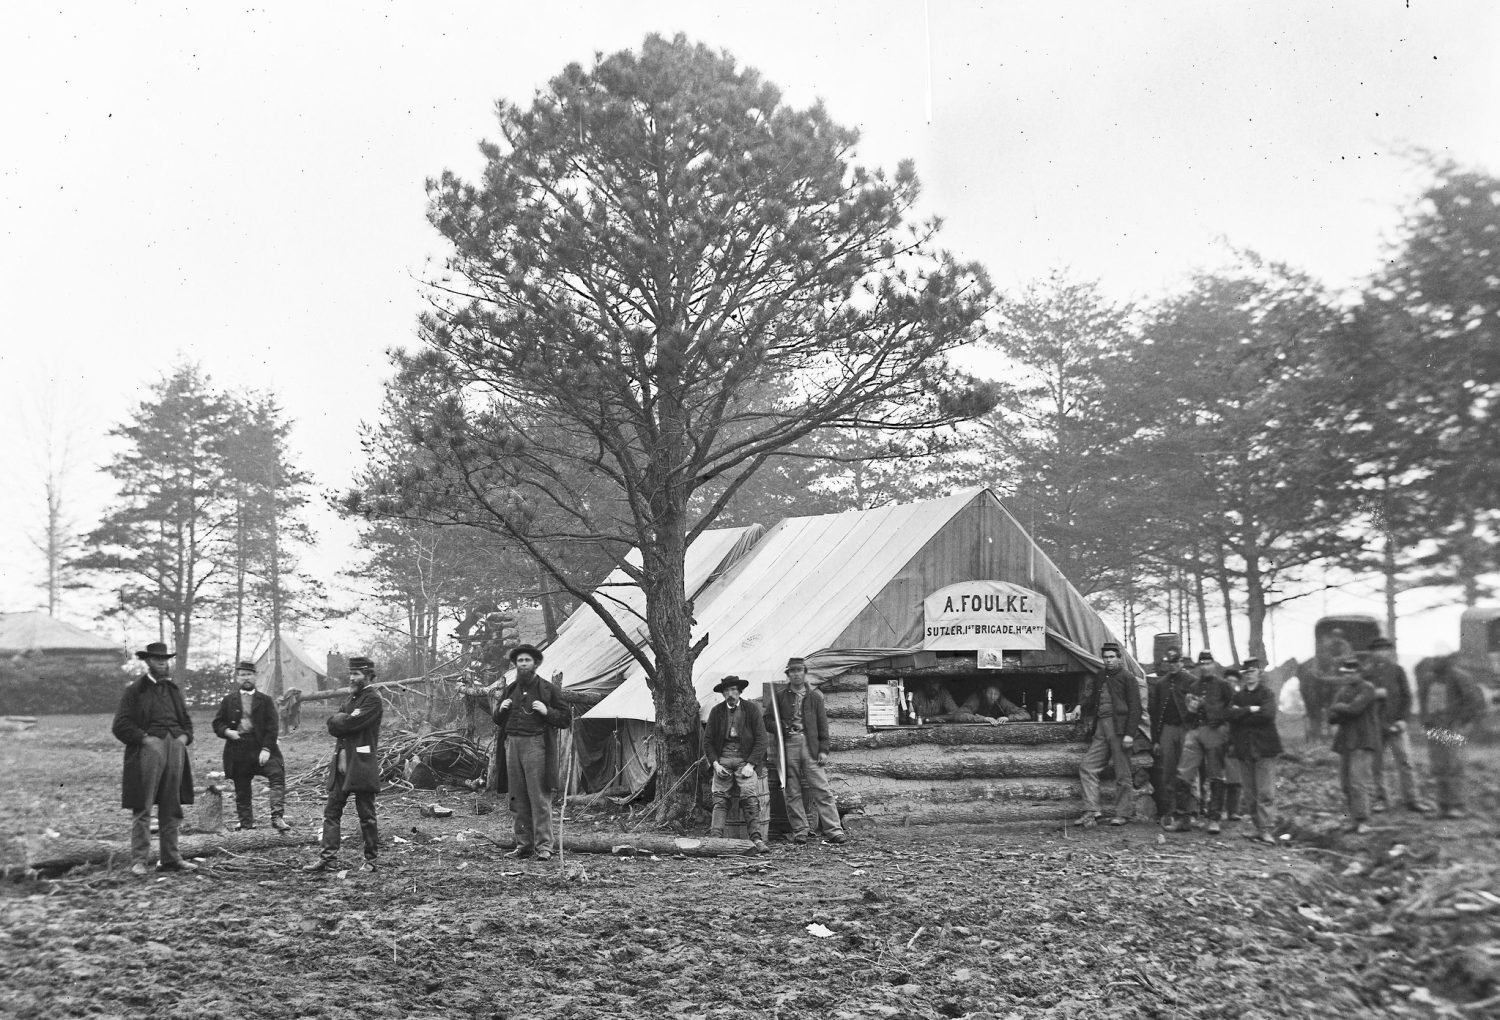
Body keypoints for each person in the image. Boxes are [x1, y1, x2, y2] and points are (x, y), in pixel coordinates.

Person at [111, 641, 198, 876]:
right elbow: (120, 725)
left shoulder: (173, 690)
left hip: (175, 748)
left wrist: (184, 738)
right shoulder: (135, 690)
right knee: (143, 805)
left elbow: (186, 722)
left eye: (166, 660)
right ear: (148, 662)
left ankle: (171, 858)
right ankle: (139, 860)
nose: (163, 664)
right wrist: (145, 739)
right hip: (148, 750)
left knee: (172, 805)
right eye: (158, 660)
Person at [491, 643, 571, 861]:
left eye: (527, 660)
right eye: (520, 661)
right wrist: (501, 709)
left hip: (536, 745)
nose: (523, 664)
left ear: (535, 664)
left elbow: (565, 718)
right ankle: (524, 845)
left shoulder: (547, 689)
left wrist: (547, 712)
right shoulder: (510, 689)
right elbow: (497, 720)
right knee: (517, 799)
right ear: (516, 664)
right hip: (512, 745)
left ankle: (544, 846)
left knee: (539, 798)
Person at [304, 656, 384, 873]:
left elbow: (350, 723)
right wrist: (342, 719)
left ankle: (371, 860)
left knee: (366, 815)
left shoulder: (373, 700)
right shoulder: (351, 700)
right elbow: (333, 725)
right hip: (340, 765)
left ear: (368, 676)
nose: (352, 677)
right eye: (351, 673)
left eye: (356, 674)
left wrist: (343, 719)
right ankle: (328, 859)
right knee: (331, 811)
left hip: (361, 764)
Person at [766, 656, 847, 845]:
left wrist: (824, 750)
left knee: (821, 788)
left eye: (798, 671)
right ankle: (800, 830)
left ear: (805, 672)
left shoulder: (815, 697)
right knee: (792, 790)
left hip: (810, 746)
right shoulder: (779, 696)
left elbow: (823, 725)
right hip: (789, 746)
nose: (795, 674)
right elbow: (767, 720)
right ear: (788, 674)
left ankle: (834, 830)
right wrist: (783, 727)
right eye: (792, 671)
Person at [211, 661, 289, 832]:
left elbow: (272, 727)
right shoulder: (228, 700)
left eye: (249, 674)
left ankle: (277, 817)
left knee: (277, 775)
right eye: (242, 675)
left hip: (262, 746)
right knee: (242, 788)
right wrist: (227, 732)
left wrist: (267, 749)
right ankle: (247, 824)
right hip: (238, 748)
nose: (246, 678)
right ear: (237, 678)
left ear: (255, 677)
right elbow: (217, 723)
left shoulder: (266, 700)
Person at [1074, 642, 1142, 827]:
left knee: (1122, 773)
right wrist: (1080, 705)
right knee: (1087, 766)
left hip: (1119, 728)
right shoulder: (1100, 675)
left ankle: (1123, 813)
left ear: (1119, 658)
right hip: (1101, 728)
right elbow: (1093, 697)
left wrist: (1129, 734)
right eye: (1106, 657)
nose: (1109, 660)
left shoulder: (1128, 678)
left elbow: (1136, 708)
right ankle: (1092, 810)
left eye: (1112, 657)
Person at [1365, 637, 1434, 814]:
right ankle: (1381, 799)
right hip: (1375, 726)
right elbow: (1360, 698)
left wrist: (1403, 719)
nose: (1381, 653)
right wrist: (1373, 694)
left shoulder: (1397, 671)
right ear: (1372, 653)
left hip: (1397, 724)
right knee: (1377, 764)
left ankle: (1413, 800)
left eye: (1385, 649)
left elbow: (1407, 697)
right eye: (1377, 650)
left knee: (1406, 762)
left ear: (1389, 652)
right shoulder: (1366, 673)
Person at [1169, 652, 1234, 834]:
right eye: (1202, 663)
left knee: (1215, 775)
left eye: (1208, 662)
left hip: (1215, 731)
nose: (1205, 666)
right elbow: (1188, 713)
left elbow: (1232, 709)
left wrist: (1216, 717)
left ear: (1214, 664)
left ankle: (1214, 819)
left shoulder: (1224, 686)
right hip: (1195, 731)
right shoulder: (1194, 685)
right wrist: (1192, 710)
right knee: (1183, 773)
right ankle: (1183, 818)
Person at [1418, 654, 1488, 820]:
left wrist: (1463, 723)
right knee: (1439, 767)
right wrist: (1426, 722)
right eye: (1434, 658)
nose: (1435, 661)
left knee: (1454, 766)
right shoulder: (1429, 679)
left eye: (1439, 658)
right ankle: (1443, 806)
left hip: (1453, 728)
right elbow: (1423, 702)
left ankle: (1457, 806)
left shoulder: (1460, 677)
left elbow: (1474, 702)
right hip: (1435, 728)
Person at [703, 675, 769, 853]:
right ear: (723, 694)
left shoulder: (751, 710)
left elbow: (762, 740)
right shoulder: (716, 712)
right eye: (726, 691)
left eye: (733, 690)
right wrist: (715, 764)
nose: (730, 694)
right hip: (723, 759)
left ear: (740, 692)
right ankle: (715, 839)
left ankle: (756, 838)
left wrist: (751, 764)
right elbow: (707, 741)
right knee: (719, 797)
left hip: (744, 760)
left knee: (749, 794)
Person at [1226, 660, 1283, 844]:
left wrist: (1241, 716)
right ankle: (1257, 827)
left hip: (1264, 748)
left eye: (1253, 671)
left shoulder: (1267, 694)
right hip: (1244, 748)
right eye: (1246, 672)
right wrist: (1250, 710)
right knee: (1250, 792)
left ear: (1259, 673)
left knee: (1265, 791)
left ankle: (1265, 829)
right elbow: (1230, 716)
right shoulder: (1239, 696)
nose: (1249, 674)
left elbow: (1267, 715)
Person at [1327, 657, 1380, 834]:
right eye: (1346, 673)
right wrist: (1343, 708)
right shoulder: (1343, 691)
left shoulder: (1368, 688)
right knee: (1345, 784)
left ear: (1359, 673)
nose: (1348, 676)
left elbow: (1355, 709)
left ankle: (1363, 820)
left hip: (1363, 740)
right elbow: (1331, 717)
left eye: (1352, 673)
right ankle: (1353, 820)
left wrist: (1340, 707)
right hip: (1346, 742)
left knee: (1358, 782)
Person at [1149, 650, 1196, 828]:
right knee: (1168, 771)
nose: (1173, 665)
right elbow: (1155, 713)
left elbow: (1197, 709)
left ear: (1181, 662)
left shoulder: (1191, 681)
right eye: (1170, 662)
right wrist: (1156, 739)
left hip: (1186, 730)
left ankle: (1190, 812)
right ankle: (1170, 811)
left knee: (1187, 771)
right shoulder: (1161, 684)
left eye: (1176, 662)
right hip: (1167, 729)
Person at [910, 677, 1002, 725]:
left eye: (935, 683)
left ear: (940, 684)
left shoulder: (943, 693)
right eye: (929, 683)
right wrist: (928, 720)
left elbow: (956, 714)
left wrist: (930, 719)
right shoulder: (917, 693)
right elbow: (907, 717)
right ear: (924, 684)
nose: (932, 686)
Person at [960, 684, 1031, 722]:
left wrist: (1008, 718)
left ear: (999, 694)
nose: (992, 696)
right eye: (990, 693)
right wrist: (983, 719)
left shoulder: (1001, 700)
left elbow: (1025, 715)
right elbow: (959, 715)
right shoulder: (976, 698)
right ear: (984, 692)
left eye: (996, 694)